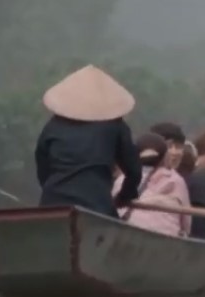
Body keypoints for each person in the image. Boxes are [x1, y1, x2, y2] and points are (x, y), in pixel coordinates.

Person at [35, 65, 142, 218]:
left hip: (53, 204)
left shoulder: (53, 126)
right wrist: (125, 196)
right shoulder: (115, 125)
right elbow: (134, 171)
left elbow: (43, 170)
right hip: (96, 204)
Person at [115, 133, 191, 237]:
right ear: (164, 156)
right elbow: (186, 225)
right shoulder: (176, 181)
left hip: (123, 236)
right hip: (166, 241)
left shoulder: (122, 179)